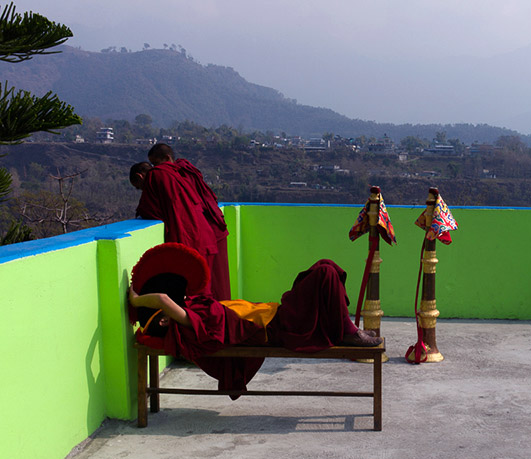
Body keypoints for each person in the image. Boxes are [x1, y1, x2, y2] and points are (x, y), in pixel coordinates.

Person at [128, 243, 381, 393]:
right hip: (279, 327)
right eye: (168, 311)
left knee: (324, 266)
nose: (173, 305)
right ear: (166, 321)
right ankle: (348, 331)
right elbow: (161, 298)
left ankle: (345, 327)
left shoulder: (193, 308)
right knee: (324, 273)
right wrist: (137, 300)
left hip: (276, 312)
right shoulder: (189, 323)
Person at [135, 143, 231, 300]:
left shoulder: (158, 174)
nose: (153, 168)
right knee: (213, 288)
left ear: (166, 158)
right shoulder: (185, 171)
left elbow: (149, 210)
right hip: (210, 231)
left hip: (188, 236)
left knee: (194, 291)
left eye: (155, 163)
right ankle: (219, 320)